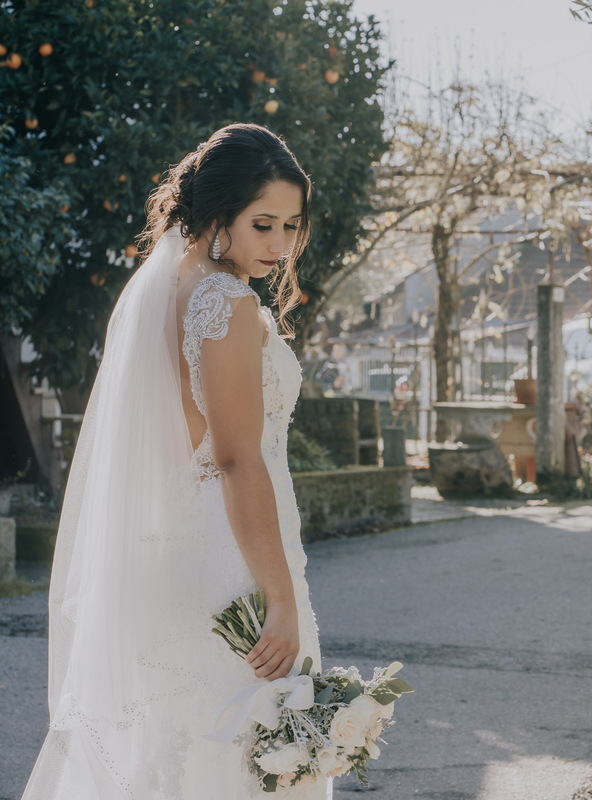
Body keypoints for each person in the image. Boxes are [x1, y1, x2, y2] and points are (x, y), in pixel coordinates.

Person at [22, 124, 330, 799]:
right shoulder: (227, 302)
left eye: (291, 225)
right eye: (263, 224)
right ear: (219, 213)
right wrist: (280, 598)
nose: (280, 245)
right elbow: (237, 459)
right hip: (233, 560)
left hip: (179, 547)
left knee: (185, 750)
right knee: (247, 752)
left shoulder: (171, 289)